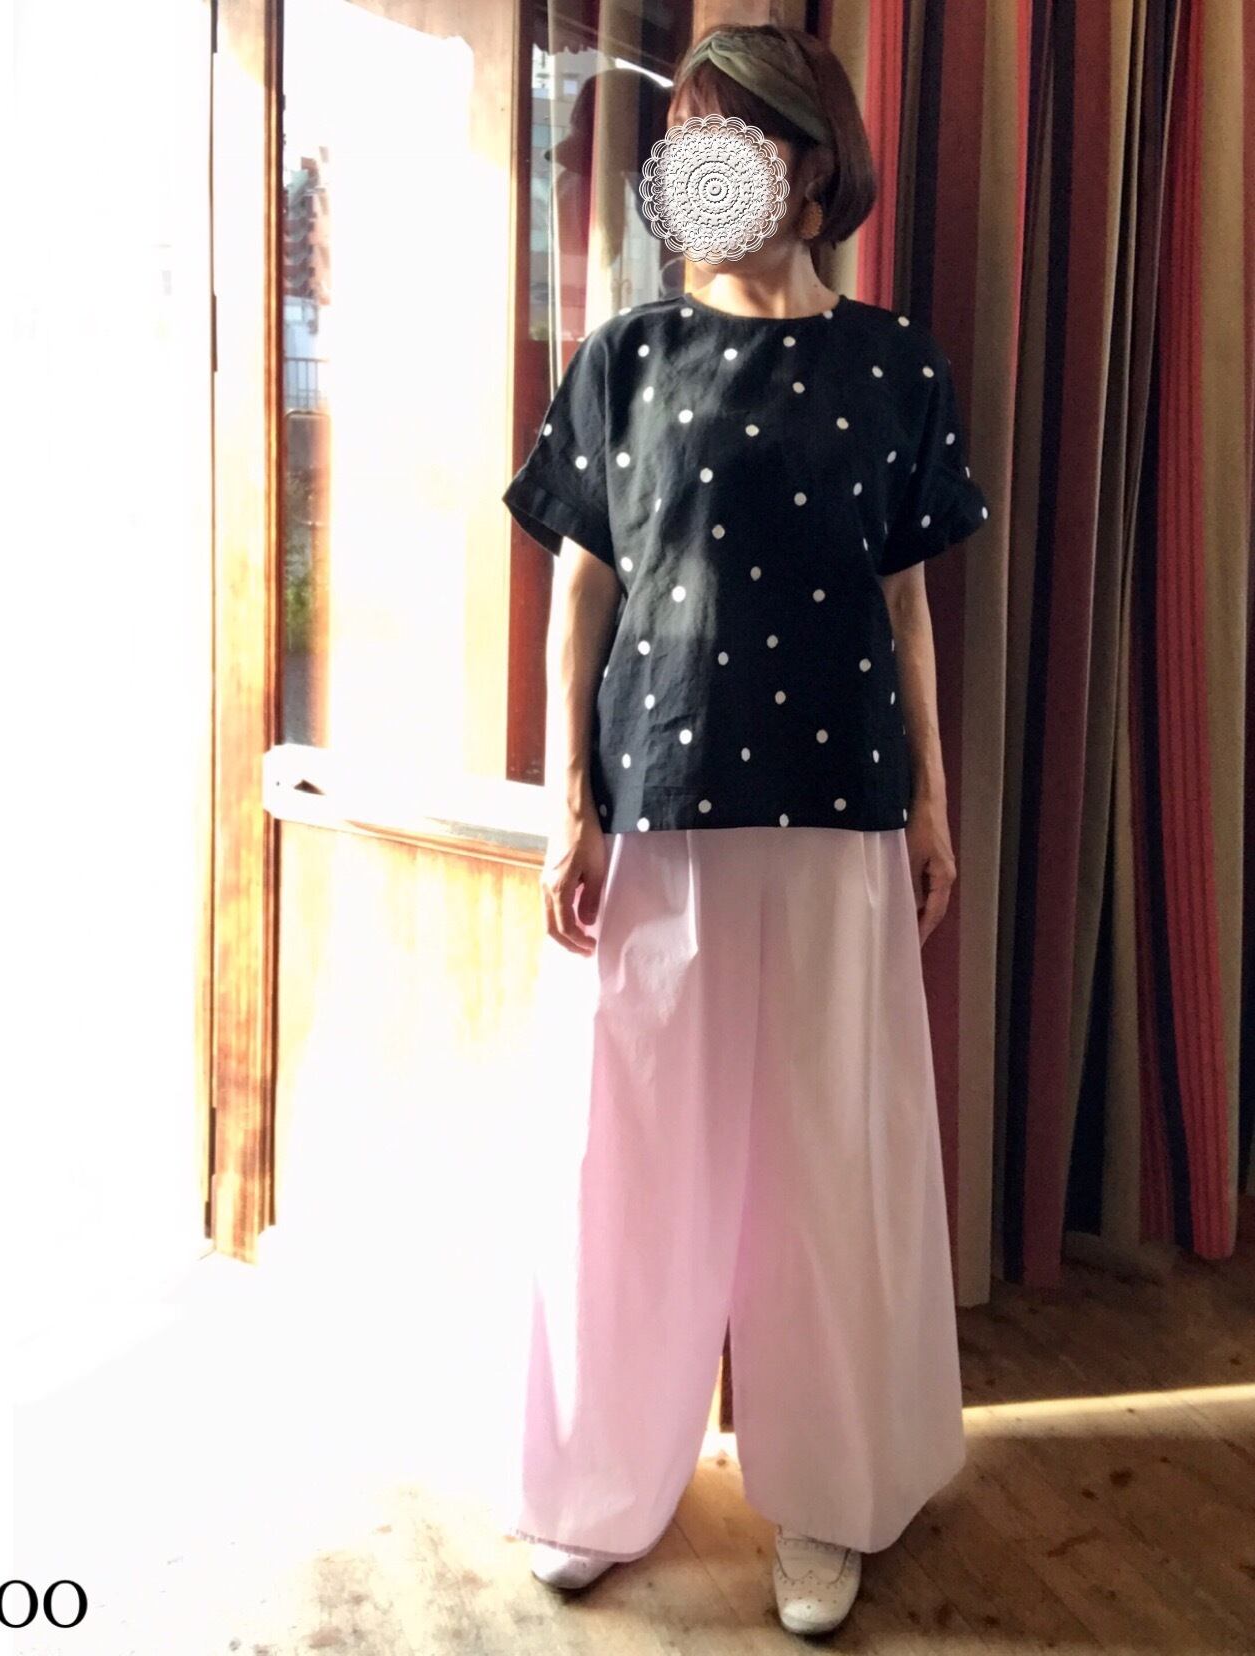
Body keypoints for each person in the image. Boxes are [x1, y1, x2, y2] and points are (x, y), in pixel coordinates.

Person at [498, 23, 988, 1638]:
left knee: (831, 1162)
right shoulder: (625, 358)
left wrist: (935, 801)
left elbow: (906, 607)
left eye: (738, 137)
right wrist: (567, 803)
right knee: (628, 1156)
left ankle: (830, 1496)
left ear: (815, 163)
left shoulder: (896, 367)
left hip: (842, 807)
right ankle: (597, 1484)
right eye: (688, 142)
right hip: (660, 800)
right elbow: (582, 590)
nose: (703, 169)